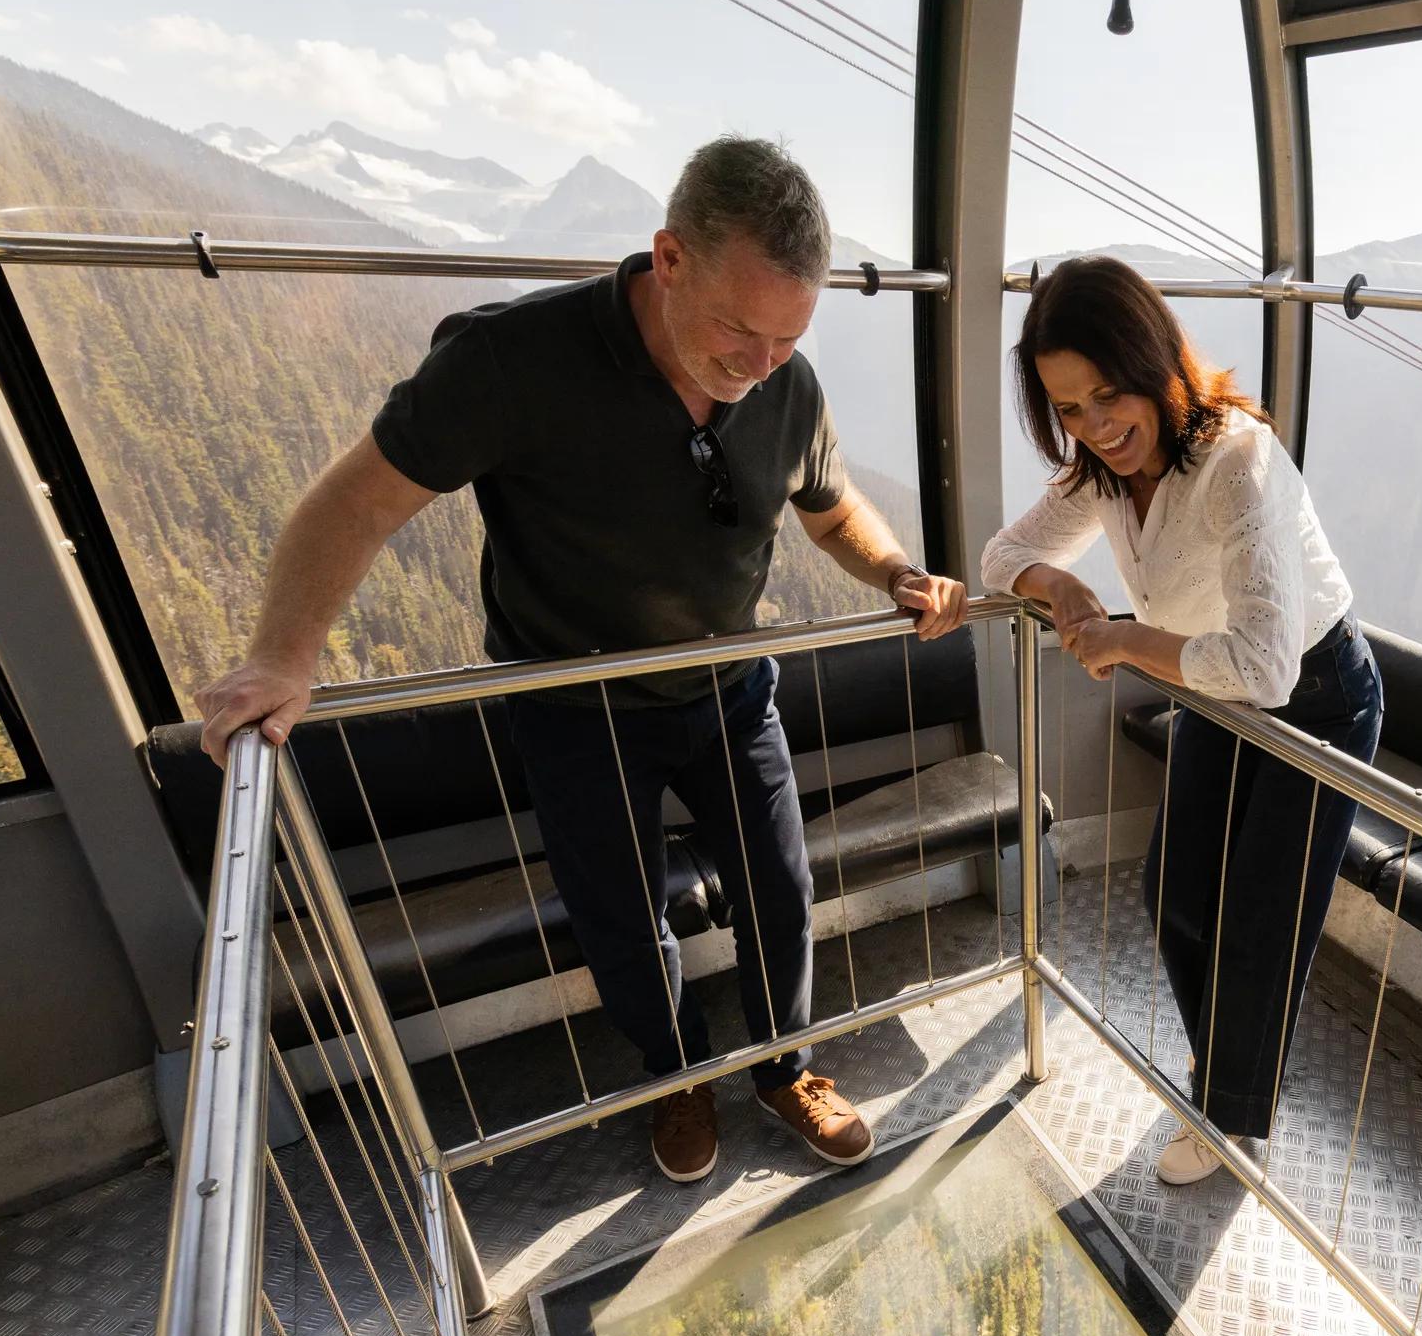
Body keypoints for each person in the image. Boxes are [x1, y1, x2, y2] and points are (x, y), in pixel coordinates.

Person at [196, 136, 966, 1185]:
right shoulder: (511, 361)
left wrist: (897, 572)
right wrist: (283, 658)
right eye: (739, 330)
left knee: (780, 887)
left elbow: (829, 509)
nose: (760, 365)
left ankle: (785, 1068)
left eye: (788, 337)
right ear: (669, 258)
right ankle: (675, 1076)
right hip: (573, 703)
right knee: (623, 918)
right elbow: (358, 502)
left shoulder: (786, 387)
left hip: (730, 689)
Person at [981, 256, 1382, 1185]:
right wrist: (1058, 583)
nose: (1095, 426)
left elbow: (1268, 666)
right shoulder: (1099, 475)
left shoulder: (1238, 462)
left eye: (1108, 394)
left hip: (1317, 697)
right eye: (1068, 407)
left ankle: (1230, 1115)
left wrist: (1124, 638)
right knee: (1176, 896)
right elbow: (1003, 555)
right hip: (1210, 687)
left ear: (1153, 360)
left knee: (1261, 923)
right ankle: (1222, 1073)